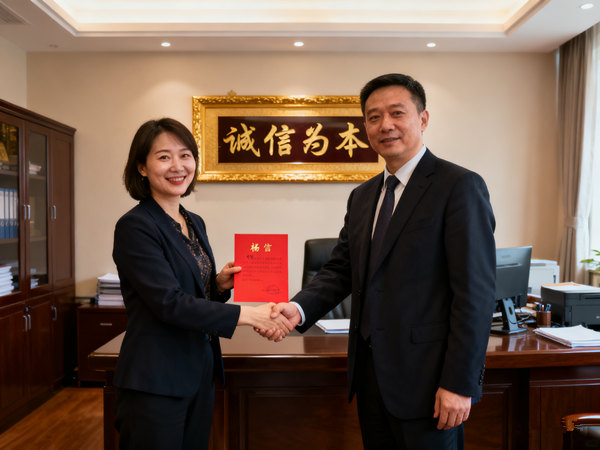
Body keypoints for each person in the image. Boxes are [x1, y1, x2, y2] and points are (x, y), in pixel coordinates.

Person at [261, 73, 496, 449]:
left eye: (397, 113)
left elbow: (475, 295)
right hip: (371, 379)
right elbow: (341, 269)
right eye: (373, 117)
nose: (385, 125)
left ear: (423, 119)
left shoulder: (458, 187)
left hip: (430, 382)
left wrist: (459, 383)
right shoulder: (363, 196)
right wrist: (298, 308)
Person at [112, 117, 291, 450]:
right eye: (164, 157)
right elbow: (169, 303)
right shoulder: (135, 226)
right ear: (142, 167)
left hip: (198, 372)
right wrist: (250, 315)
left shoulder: (193, 221)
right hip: (156, 380)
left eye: (185, 155)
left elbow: (192, 293)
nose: (178, 166)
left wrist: (218, 286)